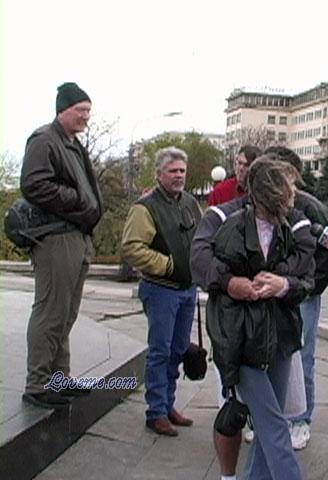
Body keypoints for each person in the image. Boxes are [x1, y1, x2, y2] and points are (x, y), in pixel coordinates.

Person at [191, 153, 316, 480]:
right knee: (273, 424)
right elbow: (199, 260)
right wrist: (231, 283)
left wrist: (282, 284)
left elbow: (307, 272)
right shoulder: (225, 218)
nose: (294, 194)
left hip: (281, 335)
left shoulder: (293, 223)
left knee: (268, 426)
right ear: (269, 190)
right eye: (288, 187)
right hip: (240, 338)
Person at [20, 82, 103, 409]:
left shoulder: (72, 143)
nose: (86, 117)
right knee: (51, 311)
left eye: (88, 111)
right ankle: (38, 383)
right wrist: (78, 198)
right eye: (81, 110)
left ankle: (58, 378)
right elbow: (33, 184)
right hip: (56, 237)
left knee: (66, 313)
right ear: (63, 110)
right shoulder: (44, 140)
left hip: (76, 236)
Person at [121, 147, 202, 436]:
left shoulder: (190, 203)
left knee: (178, 350)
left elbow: (201, 238)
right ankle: (156, 411)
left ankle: (168, 404)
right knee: (160, 351)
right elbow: (132, 248)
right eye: (173, 171)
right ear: (159, 174)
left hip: (187, 289)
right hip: (161, 290)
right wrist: (167, 265)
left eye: (182, 170)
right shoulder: (145, 208)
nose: (179, 175)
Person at [264, 145, 328, 450]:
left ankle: (301, 419)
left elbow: (327, 255)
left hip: (302, 297)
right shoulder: (264, 204)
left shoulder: (311, 208)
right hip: (272, 295)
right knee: (270, 355)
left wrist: (308, 288)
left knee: (301, 357)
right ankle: (272, 417)